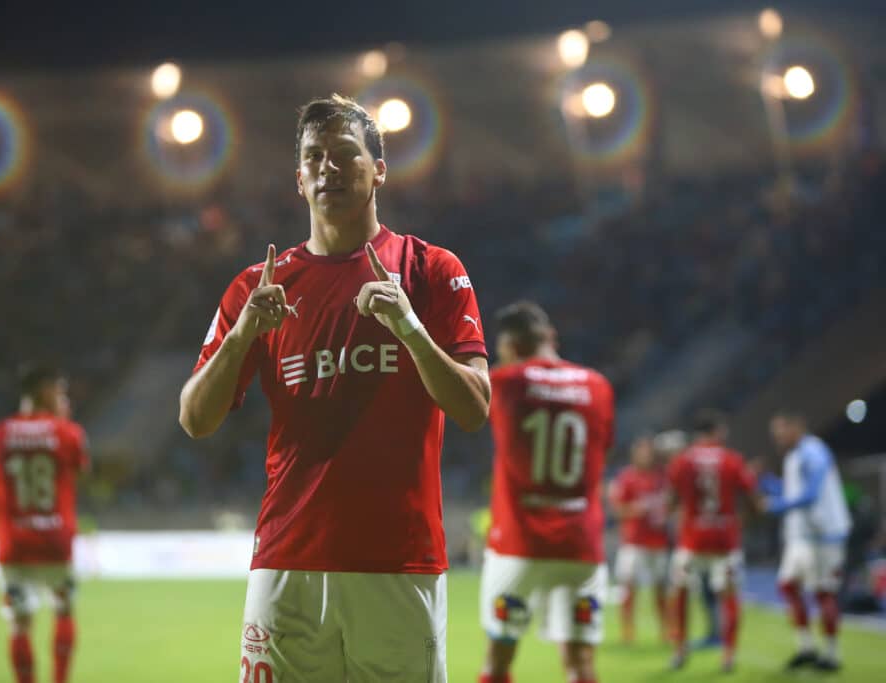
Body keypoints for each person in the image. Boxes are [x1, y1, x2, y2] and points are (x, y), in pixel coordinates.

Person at [178, 94, 490, 682]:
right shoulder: (257, 288)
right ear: (299, 179)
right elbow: (195, 417)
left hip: (400, 565)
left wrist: (411, 329)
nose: (329, 168)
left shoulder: (433, 270)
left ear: (379, 169)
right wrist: (243, 334)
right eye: (314, 157)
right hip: (287, 563)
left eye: (346, 154)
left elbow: (475, 408)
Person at [478, 301, 614, 683]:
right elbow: (603, 450)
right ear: (550, 336)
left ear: (509, 348)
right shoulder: (598, 386)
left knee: (498, 661)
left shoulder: (506, 382)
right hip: (580, 545)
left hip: (518, 546)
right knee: (581, 664)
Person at [0, 365, 89, 683]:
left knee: (19, 624)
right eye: (60, 391)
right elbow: (79, 474)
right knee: (64, 610)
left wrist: (6, 526)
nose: (65, 398)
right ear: (45, 391)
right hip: (55, 541)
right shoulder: (67, 432)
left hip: (13, 544)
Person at [666, 410, 763, 672]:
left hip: (691, 539)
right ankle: (728, 655)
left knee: (680, 593)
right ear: (717, 431)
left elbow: (671, 501)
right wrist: (741, 519)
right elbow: (754, 500)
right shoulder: (732, 460)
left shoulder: (682, 461)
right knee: (729, 596)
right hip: (725, 539)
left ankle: (679, 650)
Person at [763, 411, 852, 672]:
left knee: (824, 593)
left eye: (780, 430)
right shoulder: (793, 456)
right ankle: (806, 648)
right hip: (803, 537)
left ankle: (832, 655)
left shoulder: (813, 452)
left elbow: (811, 495)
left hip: (825, 535)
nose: (776, 437)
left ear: (796, 427)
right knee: (788, 586)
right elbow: (795, 493)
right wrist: (767, 483)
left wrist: (775, 506)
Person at [609, 434, 669, 644]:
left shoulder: (663, 477)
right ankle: (627, 630)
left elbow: (672, 504)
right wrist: (636, 509)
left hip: (658, 541)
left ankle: (666, 629)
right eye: (642, 450)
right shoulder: (627, 477)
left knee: (660, 587)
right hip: (633, 541)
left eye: (649, 450)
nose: (646, 455)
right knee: (628, 586)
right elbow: (617, 509)